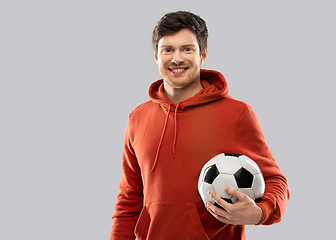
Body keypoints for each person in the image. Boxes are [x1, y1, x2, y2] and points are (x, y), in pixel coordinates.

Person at [109, 11, 289, 240]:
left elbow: (276, 181)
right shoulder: (137, 117)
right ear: (156, 55)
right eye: (168, 50)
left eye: (187, 49)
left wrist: (259, 213)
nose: (176, 58)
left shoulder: (236, 114)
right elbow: (129, 198)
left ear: (202, 55)